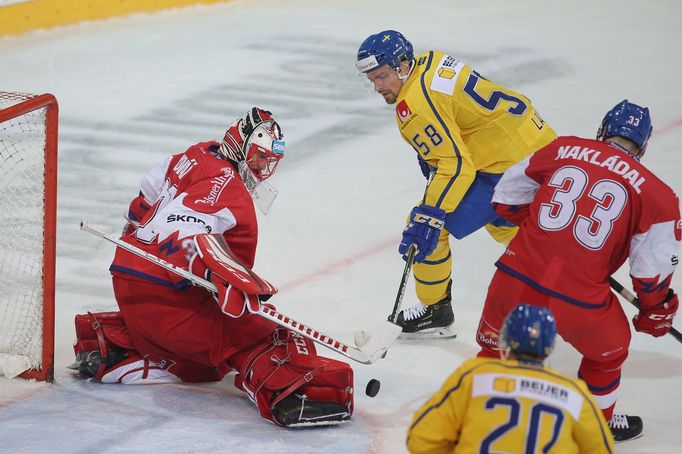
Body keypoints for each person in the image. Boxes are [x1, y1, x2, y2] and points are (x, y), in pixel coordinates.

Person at [69, 108, 354, 428]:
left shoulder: (197, 153)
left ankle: (119, 351)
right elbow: (187, 228)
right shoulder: (227, 186)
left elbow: (146, 196)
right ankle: (291, 395)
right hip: (169, 300)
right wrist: (217, 272)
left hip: (130, 283)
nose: (263, 170)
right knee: (265, 337)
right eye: (259, 158)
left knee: (210, 363)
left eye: (269, 163)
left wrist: (134, 235)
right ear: (242, 143)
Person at [475, 99, 680, 442]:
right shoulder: (659, 195)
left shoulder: (562, 148)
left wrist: (546, 234)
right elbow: (650, 274)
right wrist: (656, 308)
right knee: (609, 353)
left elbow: (505, 198)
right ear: (643, 146)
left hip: (513, 278)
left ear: (601, 132)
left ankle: (485, 424)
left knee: (494, 348)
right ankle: (590, 428)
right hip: (578, 299)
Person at [355, 30, 557, 338]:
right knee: (503, 219)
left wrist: (430, 215)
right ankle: (557, 280)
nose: (378, 86)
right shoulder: (431, 60)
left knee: (428, 227)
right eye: (372, 80)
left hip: (506, 165)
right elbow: (460, 113)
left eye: (382, 77)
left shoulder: (414, 106)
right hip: (537, 144)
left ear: (403, 65)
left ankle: (436, 309)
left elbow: (456, 165)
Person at [407, 304, 614, 453]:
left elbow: (421, 438)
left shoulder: (475, 376)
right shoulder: (575, 393)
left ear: (506, 339)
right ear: (550, 345)